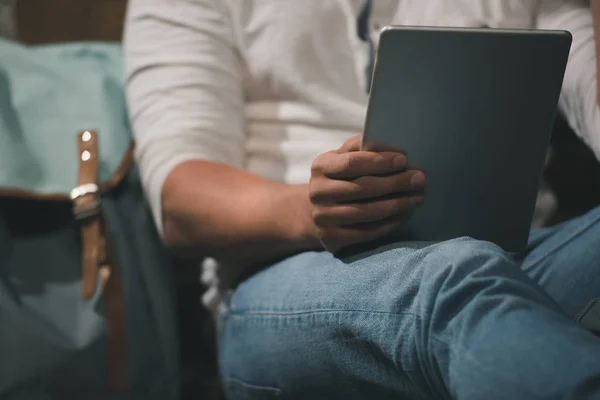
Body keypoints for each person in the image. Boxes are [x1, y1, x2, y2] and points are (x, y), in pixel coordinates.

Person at [124, 0, 600, 398]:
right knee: (450, 274)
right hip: (284, 271)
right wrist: (308, 212)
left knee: (466, 271)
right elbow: (181, 202)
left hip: (521, 251)